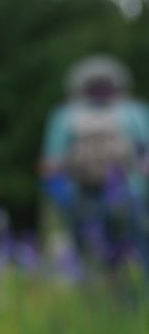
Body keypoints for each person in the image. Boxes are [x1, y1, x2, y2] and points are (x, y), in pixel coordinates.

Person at [40, 54, 149, 290]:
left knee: (88, 258)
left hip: (82, 196)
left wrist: (62, 197)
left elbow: (50, 166)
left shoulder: (64, 115)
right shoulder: (135, 112)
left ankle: (94, 308)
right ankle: (134, 309)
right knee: (134, 257)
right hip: (129, 196)